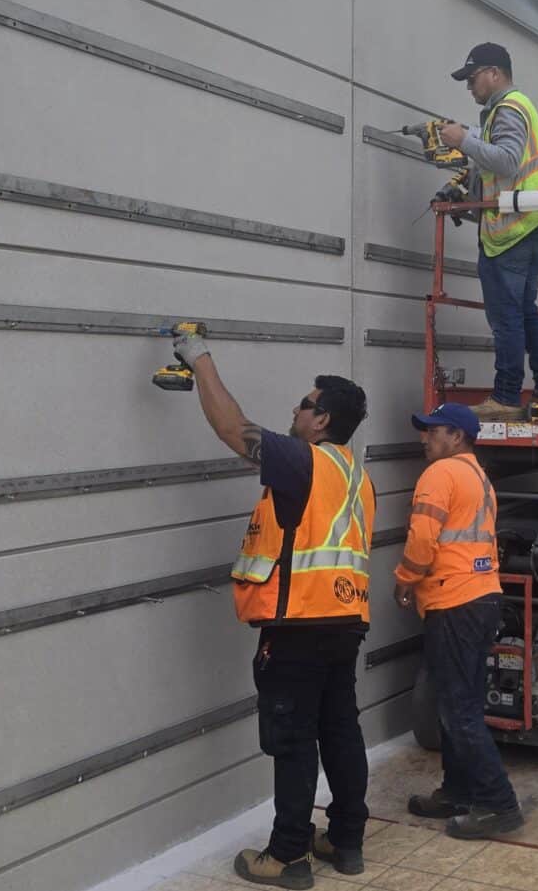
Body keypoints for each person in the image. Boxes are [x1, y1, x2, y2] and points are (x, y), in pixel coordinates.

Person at [166, 323, 375, 889]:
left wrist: (199, 359)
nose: (296, 410)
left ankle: (286, 856)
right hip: (344, 622)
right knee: (340, 730)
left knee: (294, 739)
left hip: (299, 626)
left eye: (305, 405)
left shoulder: (306, 461)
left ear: (322, 420)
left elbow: (236, 432)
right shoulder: (353, 473)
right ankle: (346, 839)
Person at [394, 402, 523, 839]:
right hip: (479, 599)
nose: (424, 438)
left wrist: (405, 580)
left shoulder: (441, 474)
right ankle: (457, 791)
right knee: (455, 702)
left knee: (460, 710)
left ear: (458, 436)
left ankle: (500, 806)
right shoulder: (478, 476)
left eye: (434, 431)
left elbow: (424, 538)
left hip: (454, 601)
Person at [439, 42, 538, 422]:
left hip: (512, 234)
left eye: (473, 78)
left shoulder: (508, 108)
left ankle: (507, 396)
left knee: (507, 317)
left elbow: (508, 162)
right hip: (525, 229)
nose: (469, 87)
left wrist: (464, 141)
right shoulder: (509, 110)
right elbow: (502, 169)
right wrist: (465, 189)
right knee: (525, 313)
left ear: (494, 73)